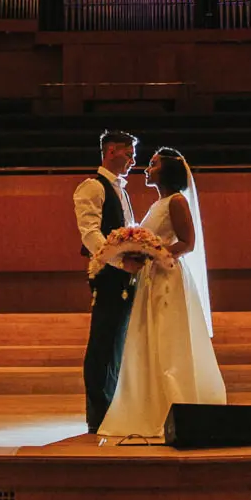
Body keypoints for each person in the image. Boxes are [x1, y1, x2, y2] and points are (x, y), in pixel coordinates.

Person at [97, 146, 226, 440]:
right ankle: (150, 404)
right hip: (151, 277)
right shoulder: (158, 204)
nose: (146, 168)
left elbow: (187, 243)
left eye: (153, 164)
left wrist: (154, 253)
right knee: (149, 339)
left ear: (167, 171)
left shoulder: (176, 201)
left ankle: (176, 405)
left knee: (167, 339)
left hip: (168, 277)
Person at [74, 129, 143, 435]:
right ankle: (97, 414)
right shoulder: (92, 187)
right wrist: (117, 261)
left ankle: (113, 406)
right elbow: (90, 233)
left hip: (125, 274)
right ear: (111, 150)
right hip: (108, 273)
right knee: (103, 340)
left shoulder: (123, 191)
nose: (133, 160)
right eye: (129, 154)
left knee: (117, 342)